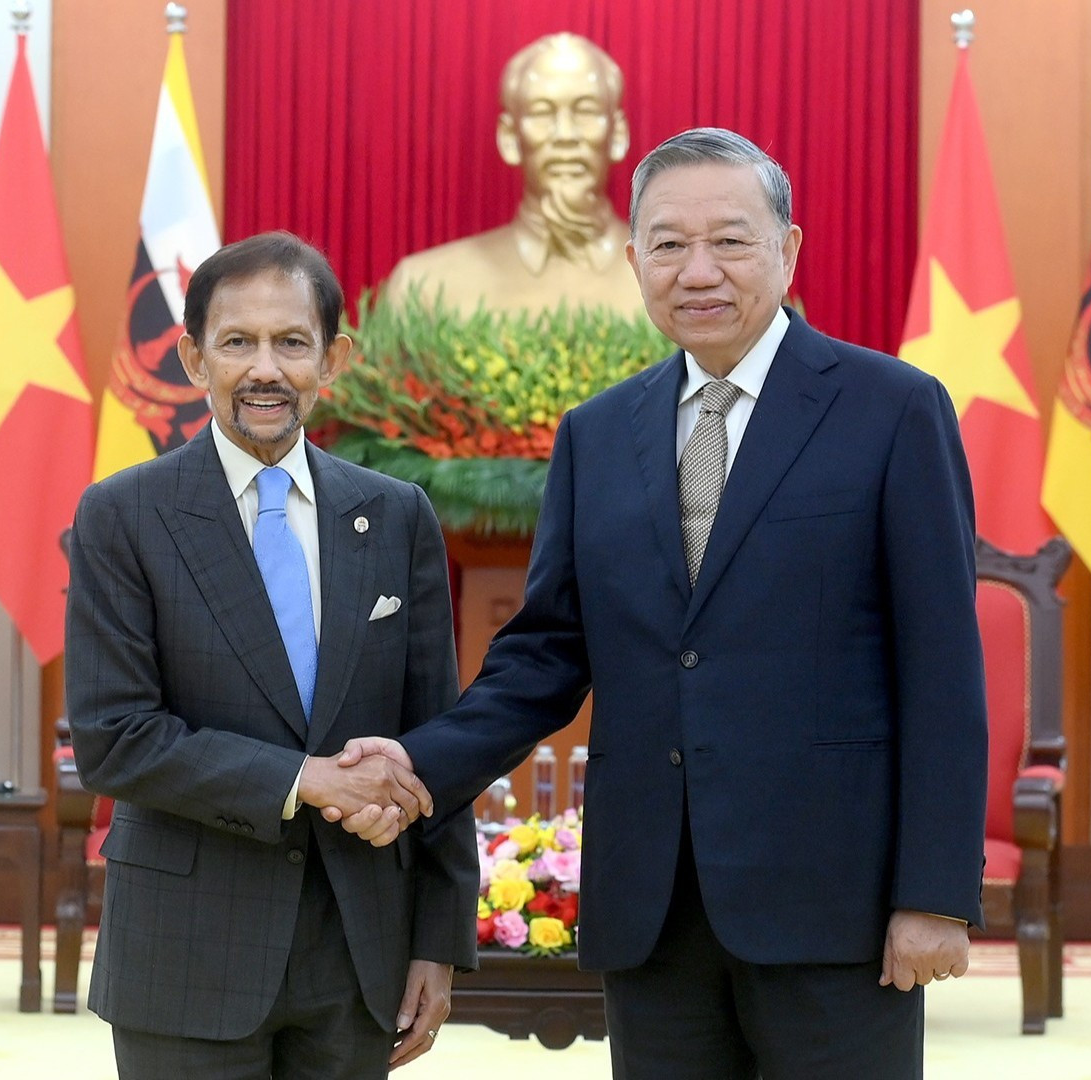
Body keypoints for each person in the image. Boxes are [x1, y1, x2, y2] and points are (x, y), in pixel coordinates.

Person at [338, 129, 989, 1078]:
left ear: (788, 250)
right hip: (652, 906)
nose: (699, 271)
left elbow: (941, 665)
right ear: (634, 258)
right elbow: (547, 655)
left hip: (833, 903)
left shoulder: (891, 408)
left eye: (730, 240)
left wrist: (935, 894)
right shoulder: (598, 434)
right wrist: (417, 761)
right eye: (668, 244)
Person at [65, 231, 477, 1078]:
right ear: (191, 358)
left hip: (360, 953)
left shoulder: (396, 516)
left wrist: (440, 941)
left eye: (292, 342)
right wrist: (307, 779)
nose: (265, 369)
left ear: (334, 358)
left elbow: (438, 742)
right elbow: (115, 738)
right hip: (186, 955)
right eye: (237, 342)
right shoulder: (123, 515)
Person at [384, 32, 645, 315]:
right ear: (509, 137)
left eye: (586, 110)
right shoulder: (426, 287)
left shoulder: (673, 281)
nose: (565, 135)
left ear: (618, 133)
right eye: (542, 112)